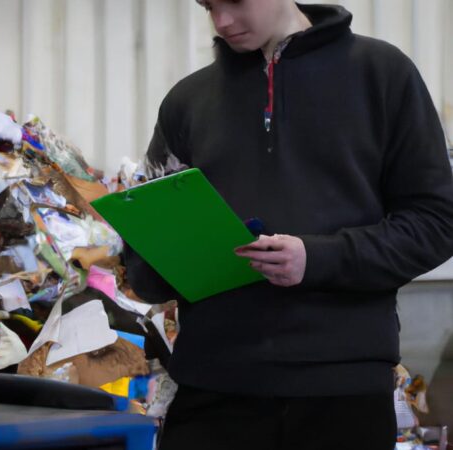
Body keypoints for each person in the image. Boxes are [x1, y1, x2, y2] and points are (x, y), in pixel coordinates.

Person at [123, 1, 453, 449]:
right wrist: (151, 253)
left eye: (235, 2)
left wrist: (316, 259)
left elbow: (436, 222)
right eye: (208, 5)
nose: (221, 22)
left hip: (342, 394)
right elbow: (147, 265)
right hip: (212, 389)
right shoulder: (187, 101)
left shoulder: (382, 75)